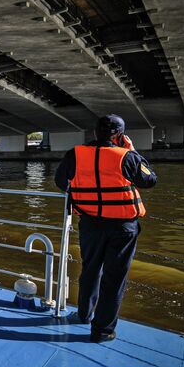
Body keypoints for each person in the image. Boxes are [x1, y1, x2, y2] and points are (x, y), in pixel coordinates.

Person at [55, 114, 157, 342]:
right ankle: (102, 331)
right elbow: (150, 180)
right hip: (122, 228)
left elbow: (61, 181)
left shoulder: (75, 154)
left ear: (94, 132)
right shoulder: (127, 156)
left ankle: (83, 314)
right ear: (120, 136)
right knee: (114, 278)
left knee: (90, 269)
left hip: (90, 224)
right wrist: (134, 152)